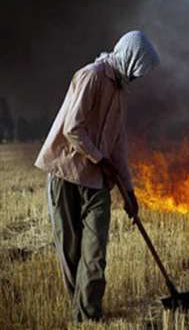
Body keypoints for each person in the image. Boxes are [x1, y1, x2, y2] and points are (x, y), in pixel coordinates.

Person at [34, 31, 160, 322]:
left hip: (97, 184)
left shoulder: (119, 94)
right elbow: (72, 128)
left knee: (95, 257)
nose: (139, 77)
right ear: (130, 57)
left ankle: (88, 317)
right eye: (139, 69)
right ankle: (81, 317)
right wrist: (99, 159)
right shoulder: (91, 76)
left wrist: (129, 191)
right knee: (71, 253)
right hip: (65, 175)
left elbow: (118, 146)